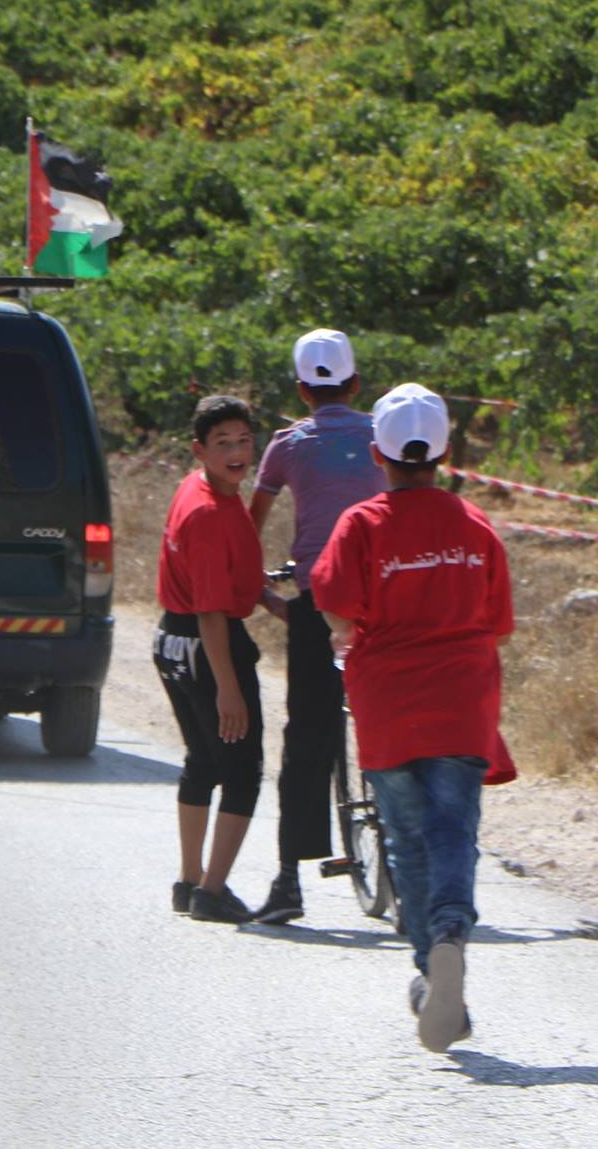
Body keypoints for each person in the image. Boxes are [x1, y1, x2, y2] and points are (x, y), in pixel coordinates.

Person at [311, 384, 516, 1054]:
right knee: (454, 830)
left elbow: (335, 605)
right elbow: (497, 622)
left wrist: (348, 629)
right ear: (445, 454)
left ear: (378, 454)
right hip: (462, 701)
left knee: (406, 838)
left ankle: (432, 967)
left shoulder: (361, 524)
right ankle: (452, 931)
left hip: (389, 705)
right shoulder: (476, 525)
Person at [246, 329, 386, 926]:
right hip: (383, 601)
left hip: (317, 602)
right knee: (394, 716)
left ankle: (288, 881)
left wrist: (259, 589)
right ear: (356, 384)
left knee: (306, 733)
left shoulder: (287, 445)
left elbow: (250, 525)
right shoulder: (381, 435)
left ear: (302, 391)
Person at [152, 395, 267, 924]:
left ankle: (188, 880)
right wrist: (228, 688)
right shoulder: (209, 513)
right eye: (222, 443)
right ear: (199, 450)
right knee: (243, 771)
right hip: (206, 645)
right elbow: (212, 612)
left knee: (202, 760)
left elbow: (219, 578)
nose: (236, 451)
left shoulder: (199, 488)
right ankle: (212, 891)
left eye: (243, 440)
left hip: (170, 640)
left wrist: (271, 600)